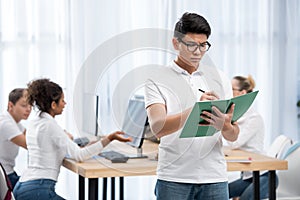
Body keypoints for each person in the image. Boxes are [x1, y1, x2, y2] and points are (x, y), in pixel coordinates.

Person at [145, 12, 239, 200]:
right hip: (173, 178)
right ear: (176, 43)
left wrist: (225, 125)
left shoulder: (219, 77)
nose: (197, 52)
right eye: (191, 45)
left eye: (203, 45)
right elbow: (157, 128)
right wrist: (195, 109)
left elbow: (233, 135)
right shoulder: (157, 78)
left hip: (215, 177)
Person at [13, 78, 132, 200]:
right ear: (53, 105)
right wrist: (109, 139)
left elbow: (49, 147)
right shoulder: (50, 125)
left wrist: (75, 142)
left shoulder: (36, 121)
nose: (65, 104)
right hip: (38, 190)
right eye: (62, 101)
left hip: (23, 186)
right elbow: (79, 155)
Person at [228, 75, 271, 200]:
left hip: (264, 176)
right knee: (221, 193)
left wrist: (225, 126)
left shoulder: (254, 118)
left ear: (242, 93)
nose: (227, 92)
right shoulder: (236, 116)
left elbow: (234, 143)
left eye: (231, 89)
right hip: (247, 177)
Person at [0, 88, 32, 188]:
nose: (28, 109)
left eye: (30, 105)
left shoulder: (15, 123)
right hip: (5, 176)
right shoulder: (6, 123)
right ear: (10, 105)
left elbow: (32, 135)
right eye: (24, 105)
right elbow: (30, 144)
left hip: (8, 173)